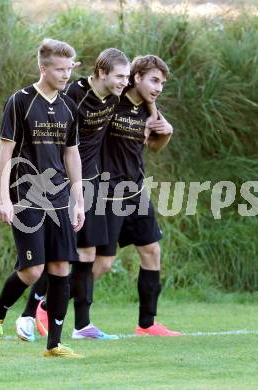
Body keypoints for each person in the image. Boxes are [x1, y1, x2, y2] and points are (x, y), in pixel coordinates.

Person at [15, 48, 131, 341]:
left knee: (88, 254)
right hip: (60, 186)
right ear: (101, 72)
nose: (124, 82)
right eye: (120, 76)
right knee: (58, 256)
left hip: (89, 184)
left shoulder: (115, 98)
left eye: (127, 77)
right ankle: (30, 313)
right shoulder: (74, 95)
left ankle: (82, 326)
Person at [0, 38, 85, 358]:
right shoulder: (21, 101)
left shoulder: (69, 106)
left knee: (60, 268)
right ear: (43, 68)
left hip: (58, 198)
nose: (66, 75)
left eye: (69, 69)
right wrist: (3, 197)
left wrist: (78, 199)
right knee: (31, 271)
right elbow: (5, 150)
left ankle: (53, 344)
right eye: (60, 69)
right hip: (25, 195)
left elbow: (72, 153)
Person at [93, 54, 182, 336]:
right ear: (137, 77)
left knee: (152, 250)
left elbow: (155, 145)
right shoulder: (112, 101)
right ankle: (46, 304)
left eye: (162, 83)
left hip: (135, 191)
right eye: (154, 80)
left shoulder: (148, 109)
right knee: (102, 264)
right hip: (108, 192)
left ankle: (147, 324)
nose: (158, 87)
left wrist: (166, 132)